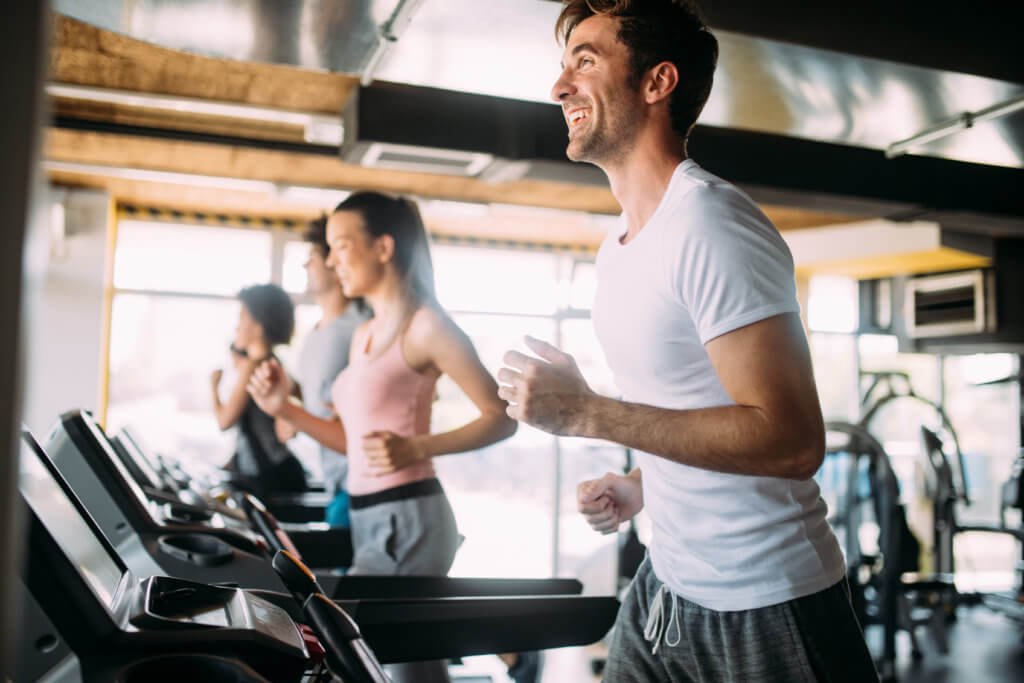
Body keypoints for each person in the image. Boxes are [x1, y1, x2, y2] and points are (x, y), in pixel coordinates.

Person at [497, 2, 879, 681]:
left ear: (656, 82)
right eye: (563, 66)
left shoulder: (712, 223)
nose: (560, 87)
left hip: (767, 601)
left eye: (585, 60)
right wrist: (644, 484)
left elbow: (791, 442)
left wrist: (588, 412)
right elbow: (697, 404)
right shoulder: (617, 248)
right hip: (666, 584)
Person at [248, 191, 517, 683]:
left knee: (396, 666)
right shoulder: (364, 334)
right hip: (371, 516)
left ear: (384, 248)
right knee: (393, 665)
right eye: (328, 249)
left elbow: (501, 416)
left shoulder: (427, 326)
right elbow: (354, 443)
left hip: (410, 518)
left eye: (342, 246)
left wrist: (418, 447)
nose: (332, 261)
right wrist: (282, 407)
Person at [275, 215, 371, 528]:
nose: (306, 266)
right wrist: (289, 405)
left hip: (362, 487)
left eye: (312, 258)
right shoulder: (316, 332)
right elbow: (327, 397)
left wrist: (290, 412)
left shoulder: (362, 326)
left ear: (334, 261)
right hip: (335, 482)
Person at [211, 283, 308, 498]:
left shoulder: (252, 366)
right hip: (280, 469)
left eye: (242, 318)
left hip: (267, 477)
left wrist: (213, 387)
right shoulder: (275, 362)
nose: (237, 327)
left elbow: (224, 421)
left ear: (259, 326)